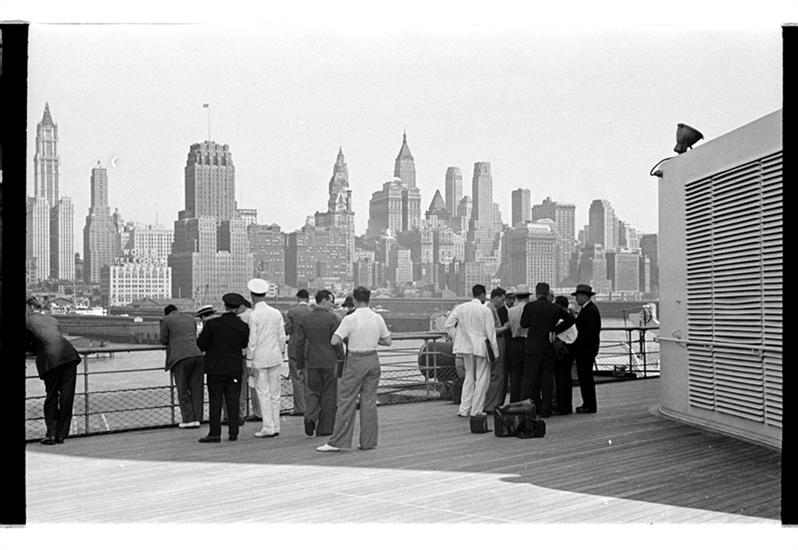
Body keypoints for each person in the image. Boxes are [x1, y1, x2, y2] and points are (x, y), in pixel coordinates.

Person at [317, 286, 391, 452]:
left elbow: (334, 340)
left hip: (356, 360)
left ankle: (337, 441)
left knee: (346, 400)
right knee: (369, 402)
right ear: (369, 299)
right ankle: (368, 441)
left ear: (355, 300)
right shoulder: (377, 318)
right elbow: (387, 341)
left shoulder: (351, 318)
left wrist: (351, 337)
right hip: (373, 359)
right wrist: (372, 340)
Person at [26, 297, 82, 445]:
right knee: (67, 396)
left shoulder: (27, 321)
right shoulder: (52, 320)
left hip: (51, 360)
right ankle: (61, 435)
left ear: (30, 307)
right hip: (69, 356)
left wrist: (33, 348)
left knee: (51, 396)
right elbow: (53, 337)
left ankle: (51, 434)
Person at [196, 293, 250, 443]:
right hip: (234, 368)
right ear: (238, 308)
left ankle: (214, 433)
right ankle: (233, 432)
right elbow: (244, 344)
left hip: (215, 368)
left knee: (215, 400)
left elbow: (201, 345)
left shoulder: (212, 324)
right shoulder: (243, 326)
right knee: (233, 400)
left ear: (225, 306)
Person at [519, 282, 575, 417]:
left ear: (536, 292)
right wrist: (555, 329)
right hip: (548, 347)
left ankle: (530, 409)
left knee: (530, 380)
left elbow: (523, 324)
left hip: (532, 348)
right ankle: (546, 410)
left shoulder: (530, 306)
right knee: (547, 381)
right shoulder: (554, 308)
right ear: (547, 292)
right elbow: (570, 319)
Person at [443, 284, 499, 420]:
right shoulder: (485, 310)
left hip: (465, 346)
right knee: (482, 378)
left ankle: (464, 408)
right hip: (481, 346)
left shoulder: (461, 308)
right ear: (482, 295)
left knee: (469, 376)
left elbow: (448, 325)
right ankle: (476, 410)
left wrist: (458, 337)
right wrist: (495, 352)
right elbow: (491, 333)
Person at [295, 289, 343, 438]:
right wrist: (341, 358)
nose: (332, 305)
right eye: (331, 302)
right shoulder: (332, 318)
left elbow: (299, 344)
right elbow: (337, 342)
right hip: (329, 360)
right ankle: (325, 428)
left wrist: (299, 364)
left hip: (312, 361)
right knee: (329, 394)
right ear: (324, 300)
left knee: (313, 391)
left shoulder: (305, 319)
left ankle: (310, 417)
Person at [245, 278, 287, 438]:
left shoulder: (254, 315)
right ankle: (276, 425)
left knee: (263, 393)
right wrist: (281, 353)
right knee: (276, 393)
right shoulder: (276, 313)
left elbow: (252, 341)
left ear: (252, 296)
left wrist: (249, 361)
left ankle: (268, 426)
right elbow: (281, 336)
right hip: (275, 356)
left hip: (259, 359)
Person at [160, 304, 204, 428]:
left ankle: (188, 419)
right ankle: (198, 418)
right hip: (198, 355)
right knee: (197, 389)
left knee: (183, 389)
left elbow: (163, 339)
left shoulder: (166, 320)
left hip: (180, 357)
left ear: (167, 312)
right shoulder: (190, 318)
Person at [572, 284, 602, 414]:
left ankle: (589, 405)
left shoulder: (589, 311)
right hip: (588, 349)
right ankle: (588, 404)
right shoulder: (590, 309)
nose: (576, 299)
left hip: (585, 350)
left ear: (583, 296)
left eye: (577, 296)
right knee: (586, 377)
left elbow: (588, 333)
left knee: (586, 378)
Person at [284, 289, 312, 416]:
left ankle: (300, 408)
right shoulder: (312, 312)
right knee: (309, 379)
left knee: (297, 379)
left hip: (295, 349)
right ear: (308, 299)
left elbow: (288, 330)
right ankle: (310, 406)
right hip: (310, 349)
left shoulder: (291, 312)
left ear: (297, 298)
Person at [483, 287, 510, 413]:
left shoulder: (490, 309)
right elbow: (492, 330)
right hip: (497, 341)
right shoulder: (491, 310)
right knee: (497, 374)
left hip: (494, 341)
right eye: (502, 300)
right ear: (496, 298)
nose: (503, 303)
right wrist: (506, 327)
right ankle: (492, 404)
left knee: (494, 374)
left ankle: (493, 402)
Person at [552, 295, 578, 415]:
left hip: (563, 350)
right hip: (570, 349)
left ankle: (562, 406)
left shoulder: (562, 321)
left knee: (561, 379)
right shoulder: (570, 317)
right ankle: (566, 405)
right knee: (566, 379)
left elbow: (556, 334)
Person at [506, 284, 531, 403]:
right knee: (527, 374)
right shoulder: (530, 308)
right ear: (528, 296)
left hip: (514, 342)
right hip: (527, 341)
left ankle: (514, 400)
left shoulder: (511, 311)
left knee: (515, 374)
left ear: (517, 297)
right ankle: (525, 399)